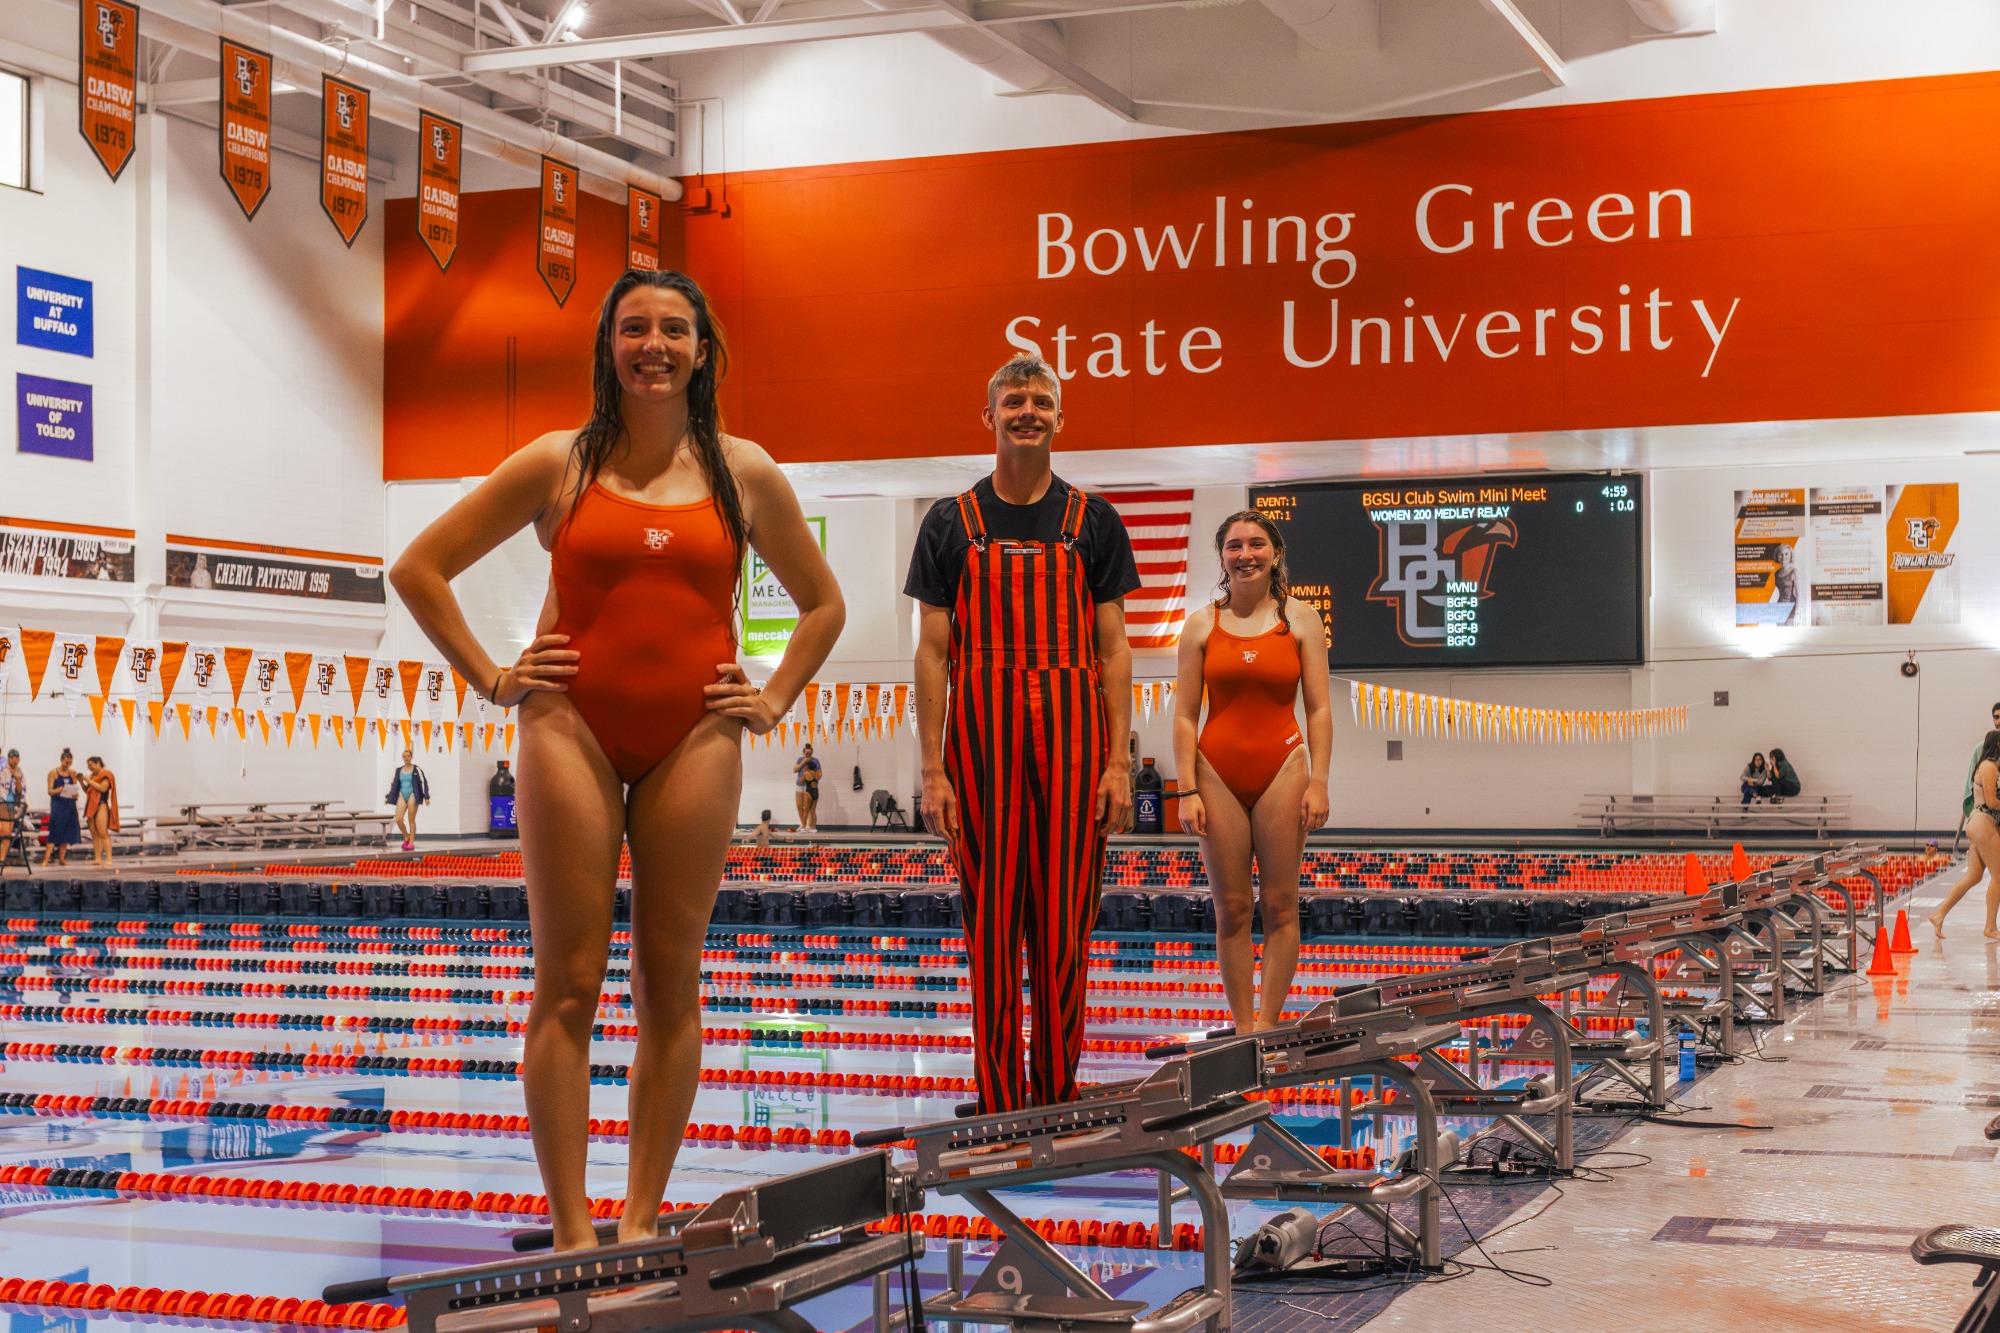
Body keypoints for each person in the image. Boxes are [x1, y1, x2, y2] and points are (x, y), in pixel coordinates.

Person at [388, 269, 842, 1251]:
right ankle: (571, 1227)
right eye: (634, 327)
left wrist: (769, 697)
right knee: (567, 981)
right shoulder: (557, 462)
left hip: (697, 734)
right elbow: (416, 568)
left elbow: (824, 604)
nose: (653, 344)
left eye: (673, 329)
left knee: (668, 983)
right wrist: (491, 674)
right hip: (569, 726)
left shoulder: (744, 471)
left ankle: (639, 1217)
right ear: (608, 345)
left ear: (701, 350)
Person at [907, 354, 1137, 1114]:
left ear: (1060, 419)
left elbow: (1112, 649)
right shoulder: (948, 522)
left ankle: (1058, 1092)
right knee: (994, 923)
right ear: (990, 416)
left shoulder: (1093, 522)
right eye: (1014, 400)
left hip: (1074, 742)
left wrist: (1116, 763)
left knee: (1066, 922)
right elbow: (934, 652)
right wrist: (932, 769)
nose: (1027, 411)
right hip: (980, 742)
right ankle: (1003, 1099)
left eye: (1041, 400)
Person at [1171, 511, 1331, 1033]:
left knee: (1282, 906)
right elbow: (1185, 714)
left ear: (1275, 553)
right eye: (1235, 545)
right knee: (1232, 910)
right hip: (1214, 771)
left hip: (1284, 766)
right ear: (1221, 556)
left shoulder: (1301, 620)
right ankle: (1244, 1031)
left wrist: (1320, 781)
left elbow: (1319, 710)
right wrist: (1186, 789)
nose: (1246, 554)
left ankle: (1267, 1025)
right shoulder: (1201, 624)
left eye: (1257, 544)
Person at [1929, 702, 2000, 939]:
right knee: (1999, 877)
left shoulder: (1989, 766)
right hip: (1982, 821)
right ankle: (1990, 927)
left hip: (1982, 823)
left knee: (1974, 876)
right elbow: (1991, 801)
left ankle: (1939, 914)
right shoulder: (1989, 767)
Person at [385, 748, 431, 851]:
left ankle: (411, 842)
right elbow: (393, 784)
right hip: (402, 795)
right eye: (404, 756)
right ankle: (406, 836)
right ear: (402, 758)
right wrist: (388, 797)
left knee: (411, 819)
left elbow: (423, 783)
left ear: (411, 757)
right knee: (398, 819)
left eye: (408, 756)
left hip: (412, 795)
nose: (406, 758)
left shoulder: (416, 769)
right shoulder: (398, 770)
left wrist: (426, 797)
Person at [43, 749, 81, 867]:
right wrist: (61, 788)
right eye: (66, 762)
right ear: (61, 760)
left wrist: (75, 794)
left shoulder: (72, 773)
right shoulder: (53, 773)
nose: (67, 765)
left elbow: (75, 790)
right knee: (55, 832)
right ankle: (46, 859)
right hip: (58, 805)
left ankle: (61, 858)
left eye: (69, 763)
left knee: (66, 833)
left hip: (69, 804)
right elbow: (50, 791)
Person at [82, 756, 119, 868]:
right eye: (88, 767)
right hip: (91, 806)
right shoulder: (93, 776)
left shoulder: (106, 774)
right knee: (94, 834)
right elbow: (87, 790)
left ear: (98, 763)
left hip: (101, 805)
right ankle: (97, 858)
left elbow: (103, 788)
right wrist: (81, 781)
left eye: (91, 765)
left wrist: (89, 780)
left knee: (103, 833)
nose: (90, 768)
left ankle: (108, 859)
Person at [0, 749, 25, 869]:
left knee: (8, 834)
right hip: (2, 801)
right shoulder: (2, 768)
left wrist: (17, 778)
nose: (14, 760)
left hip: (12, 803)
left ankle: (2, 861)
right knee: (3, 832)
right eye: (12, 758)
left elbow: (20, 791)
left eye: (16, 758)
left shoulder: (19, 771)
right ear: (8, 758)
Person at [793, 744, 821, 832]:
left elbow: (819, 774)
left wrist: (812, 780)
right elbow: (795, 770)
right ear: (803, 752)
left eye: (809, 753)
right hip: (799, 785)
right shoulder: (800, 759)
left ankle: (811, 825)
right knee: (799, 807)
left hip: (808, 785)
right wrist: (803, 762)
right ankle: (803, 824)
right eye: (806, 753)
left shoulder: (815, 761)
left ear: (812, 753)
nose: (808, 755)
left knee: (809, 808)